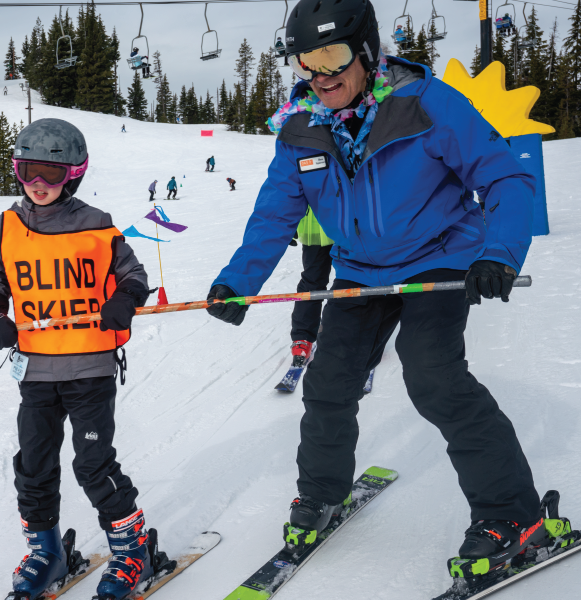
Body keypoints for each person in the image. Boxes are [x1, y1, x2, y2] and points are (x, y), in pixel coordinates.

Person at [206, 0, 563, 584]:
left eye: (332, 57)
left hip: (439, 259)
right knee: (328, 383)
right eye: (305, 61)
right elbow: (273, 214)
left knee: (434, 378)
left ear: (367, 51)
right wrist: (236, 284)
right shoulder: (301, 128)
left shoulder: (426, 105)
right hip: (359, 271)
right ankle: (321, 494)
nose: (320, 75)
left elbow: (503, 175)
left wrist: (498, 252)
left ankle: (512, 517)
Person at [0, 118, 160, 600]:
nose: (38, 184)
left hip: (90, 367)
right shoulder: (7, 226)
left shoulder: (98, 225)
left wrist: (125, 298)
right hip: (36, 370)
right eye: (28, 171)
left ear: (73, 175)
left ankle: (131, 549)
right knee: (33, 463)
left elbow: (133, 274)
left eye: (51, 174)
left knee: (92, 464)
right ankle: (46, 549)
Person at [288, 208, 334, 364]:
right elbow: (291, 188)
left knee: (358, 278)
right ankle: (303, 337)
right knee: (312, 280)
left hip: (353, 224)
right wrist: (288, 221)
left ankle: (364, 332)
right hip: (315, 226)